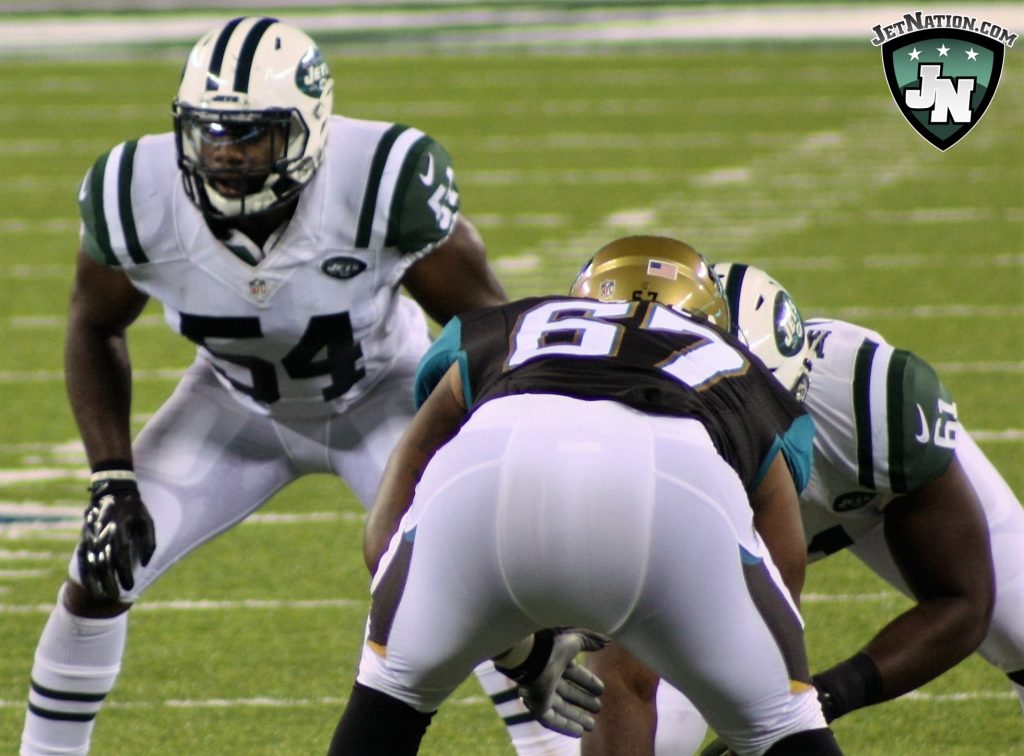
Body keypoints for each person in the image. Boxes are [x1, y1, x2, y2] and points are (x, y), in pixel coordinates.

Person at [19, 16, 512, 756]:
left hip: (385, 401)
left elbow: (493, 332)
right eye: (210, 131)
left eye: (252, 134)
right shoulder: (135, 193)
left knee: (483, 589)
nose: (225, 153)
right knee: (99, 573)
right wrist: (111, 479)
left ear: (311, 129)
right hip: (234, 408)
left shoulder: (380, 179)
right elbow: (93, 327)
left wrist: (496, 455)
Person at [327, 235, 843, 756]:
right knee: (784, 726)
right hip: (672, 484)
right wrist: (757, 697)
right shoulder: (744, 372)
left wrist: (520, 653)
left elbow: (385, 532)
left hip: (483, 477)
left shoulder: (502, 326)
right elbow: (783, 569)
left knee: (389, 700)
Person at [589, 262, 1015, 755]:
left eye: (758, 415)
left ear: (797, 388)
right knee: (656, 736)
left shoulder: (871, 401)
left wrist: (827, 697)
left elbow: (962, 601)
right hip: (704, 541)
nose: (745, 437)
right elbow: (626, 680)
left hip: (864, 492)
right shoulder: (636, 454)